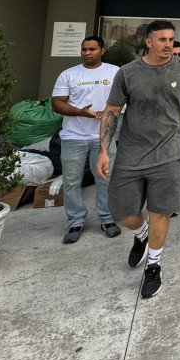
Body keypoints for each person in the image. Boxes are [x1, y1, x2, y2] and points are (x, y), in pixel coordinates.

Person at [96, 19, 180, 299]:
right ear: (148, 42)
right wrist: (104, 151)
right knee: (121, 212)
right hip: (131, 153)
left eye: (171, 39)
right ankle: (141, 232)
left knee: (161, 210)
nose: (168, 45)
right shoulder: (128, 73)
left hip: (168, 153)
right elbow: (111, 111)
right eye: (162, 40)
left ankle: (154, 266)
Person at [51, 36, 121, 244]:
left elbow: (125, 100)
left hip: (104, 139)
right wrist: (79, 112)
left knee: (106, 180)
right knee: (72, 182)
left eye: (92, 49)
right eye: (84, 49)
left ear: (102, 50)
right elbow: (57, 103)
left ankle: (107, 219)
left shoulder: (114, 72)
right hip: (73, 137)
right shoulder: (69, 74)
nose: (87, 53)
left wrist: (112, 112)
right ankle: (75, 221)